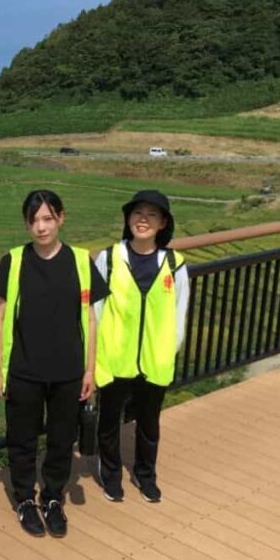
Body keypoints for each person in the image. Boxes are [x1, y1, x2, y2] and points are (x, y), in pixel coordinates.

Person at [0, 190, 107, 538]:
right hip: (23, 368)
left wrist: (90, 369)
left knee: (61, 439)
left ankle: (53, 498)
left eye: (47, 218)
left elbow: (90, 318)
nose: (40, 227)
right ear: (26, 223)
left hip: (69, 370)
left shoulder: (81, 261)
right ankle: (25, 499)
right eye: (34, 220)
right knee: (22, 439)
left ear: (60, 218)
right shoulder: (13, 261)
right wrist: (0, 369)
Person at [93, 189, 190, 503]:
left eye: (151, 214)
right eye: (137, 213)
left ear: (163, 223)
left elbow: (180, 312)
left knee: (149, 423)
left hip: (154, 359)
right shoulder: (109, 258)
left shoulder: (174, 264)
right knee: (109, 420)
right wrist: (96, 353)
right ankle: (110, 476)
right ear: (128, 219)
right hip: (114, 355)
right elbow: (95, 311)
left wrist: (168, 350)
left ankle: (145, 475)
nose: (143, 220)